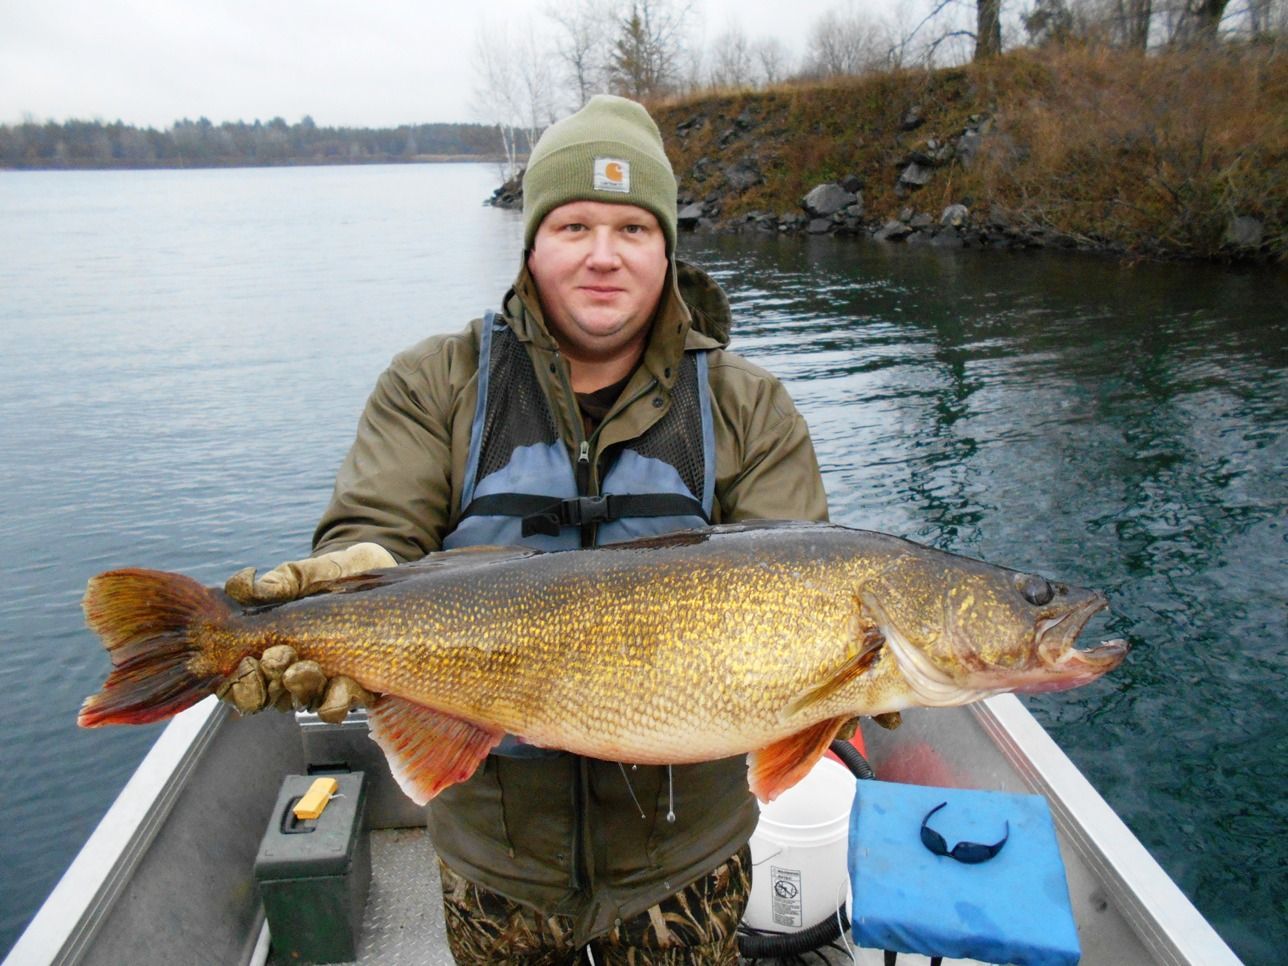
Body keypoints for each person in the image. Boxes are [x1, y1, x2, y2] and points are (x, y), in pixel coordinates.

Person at [223, 94, 828, 965]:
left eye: (633, 229)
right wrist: (351, 572)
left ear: (667, 249)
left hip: (683, 864)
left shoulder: (749, 406)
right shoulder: (436, 382)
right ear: (532, 243)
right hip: (495, 865)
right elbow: (376, 528)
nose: (604, 257)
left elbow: (797, 578)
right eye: (574, 226)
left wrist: (858, 679)